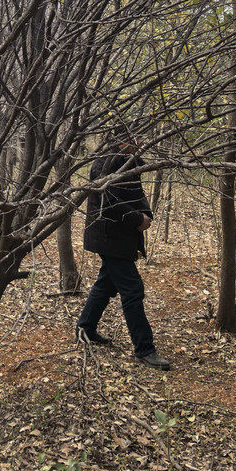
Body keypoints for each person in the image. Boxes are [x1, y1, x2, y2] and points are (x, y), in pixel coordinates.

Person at [75, 135, 170, 369]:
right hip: (108, 236)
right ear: (121, 139)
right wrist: (137, 219)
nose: (140, 143)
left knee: (106, 284)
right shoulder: (103, 164)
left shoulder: (131, 161)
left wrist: (145, 215)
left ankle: (85, 328)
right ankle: (144, 349)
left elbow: (137, 194)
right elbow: (108, 202)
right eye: (134, 138)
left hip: (121, 237)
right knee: (133, 290)